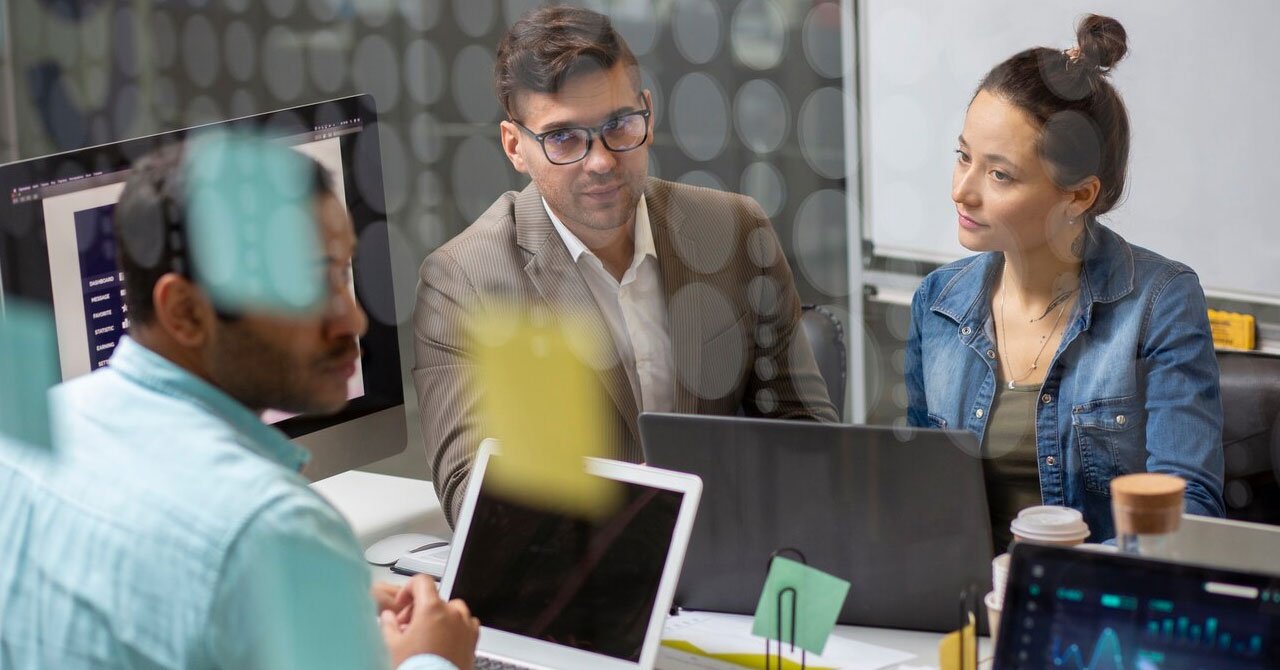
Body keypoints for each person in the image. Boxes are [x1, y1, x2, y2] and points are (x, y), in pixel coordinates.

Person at [0, 141, 479, 669]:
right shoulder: (273, 529)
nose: (354, 320)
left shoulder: (22, 440)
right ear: (185, 312)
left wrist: (294, 597)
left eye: (342, 274)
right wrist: (431, 658)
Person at [413, 5, 837, 525]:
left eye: (618, 125)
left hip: (728, 551)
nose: (601, 161)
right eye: (562, 138)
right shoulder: (465, 283)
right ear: (515, 147)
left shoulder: (734, 232)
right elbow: (472, 499)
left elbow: (809, 440)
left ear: (648, 114)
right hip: (583, 565)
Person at [905, 15, 1224, 548]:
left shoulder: (1160, 302)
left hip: (1094, 594)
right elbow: (918, 494)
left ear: (1078, 196)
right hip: (966, 593)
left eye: (999, 174)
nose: (962, 191)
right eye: (963, 157)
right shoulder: (937, 302)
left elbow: (1186, 511)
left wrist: (1055, 578)